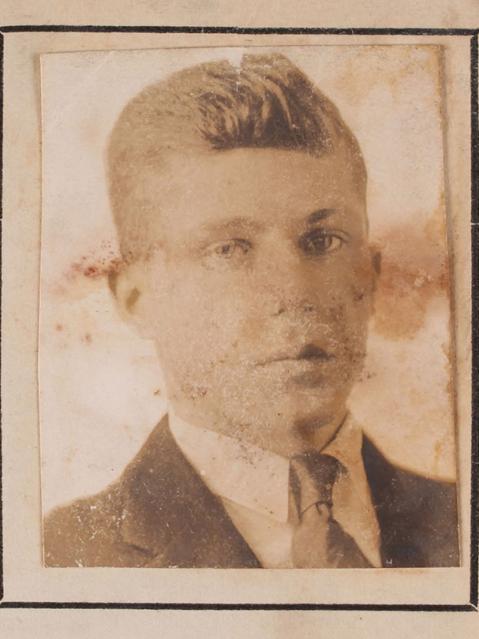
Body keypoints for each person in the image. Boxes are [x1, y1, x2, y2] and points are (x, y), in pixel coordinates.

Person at [44, 53, 459, 569]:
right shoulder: (59, 558)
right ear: (136, 298)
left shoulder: (461, 520)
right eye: (229, 249)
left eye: (323, 240)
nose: (294, 292)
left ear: (369, 277)